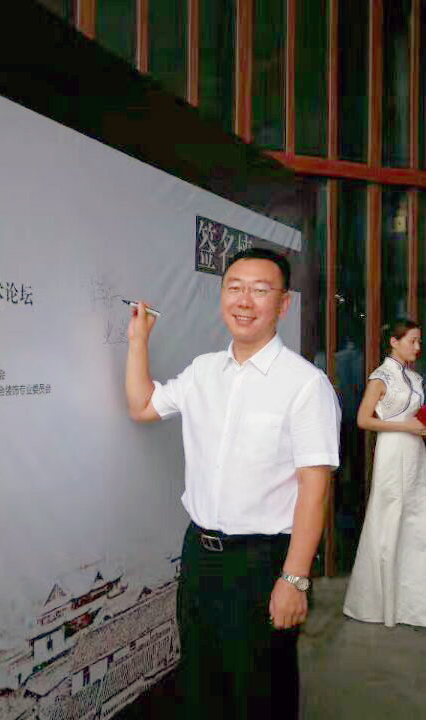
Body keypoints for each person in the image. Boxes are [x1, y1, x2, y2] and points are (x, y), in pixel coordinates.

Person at [124, 247, 341, 718]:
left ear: (283, 304)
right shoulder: (203, 372)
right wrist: (138, 340)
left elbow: (314, 489)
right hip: (200, 556)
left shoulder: (305, 385)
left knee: (260, 693)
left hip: (262, 562)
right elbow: (142, 406)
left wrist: (294, 579)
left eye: (261, 291)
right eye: (235, 288)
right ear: (222, 295)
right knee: (202, 686)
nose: (245, 301)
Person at [343, 320, 426, 628]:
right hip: (392, 448)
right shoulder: (380, 376)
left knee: (415, 518)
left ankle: (414, 604)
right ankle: (378, 603)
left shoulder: (414, 376)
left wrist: (420, 426)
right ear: (394, 342)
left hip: (414, 451)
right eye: (412, 341)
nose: (418, 347)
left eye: (419, 341)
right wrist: (405, 426)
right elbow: (363, 420)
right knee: (388, 516)